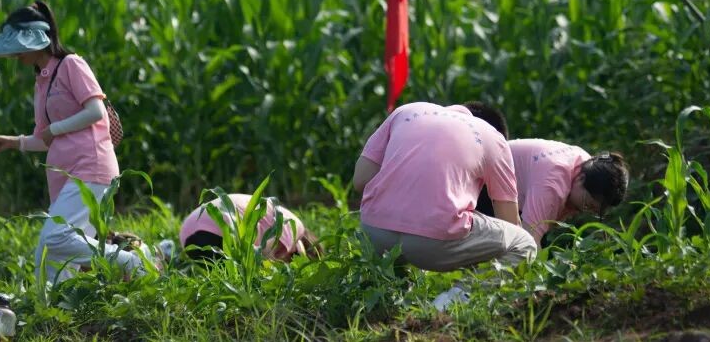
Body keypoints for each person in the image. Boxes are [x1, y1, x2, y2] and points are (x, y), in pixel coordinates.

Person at [0, 0, 143, 282]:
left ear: (36, 40)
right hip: (64, 176)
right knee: (50, 257)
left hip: (90, 167)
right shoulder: (42, 81)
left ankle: (130, 261)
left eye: (19, 47)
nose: (16, 56)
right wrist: (12, 142)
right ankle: (61, 306)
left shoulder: (71, 65)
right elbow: (45, 138)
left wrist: (55, 129)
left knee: (54, 238)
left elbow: (95, 111)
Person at [352, 101, 536, 273]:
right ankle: (457, 297)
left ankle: (393, 288)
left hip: (374, 232)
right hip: (433, 244)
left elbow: (360, 180)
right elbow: (510, 223)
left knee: (398, 259)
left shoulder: (405, 111)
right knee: (523, 243)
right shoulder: (493, 137)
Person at [475, 138, 630, 246]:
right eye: (587, 204)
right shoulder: (552, 184)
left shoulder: (589, 166)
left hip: (514, 191)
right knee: (506, 247)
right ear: (581, 179)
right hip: (481, 182)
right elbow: (527, 241)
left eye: (593, 211)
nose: (583, 210)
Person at [179, 193, 322, 262]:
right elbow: (266, 254)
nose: (291, 261)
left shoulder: (274, 215)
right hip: (220, 227)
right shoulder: (294, 226)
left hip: (187, 231)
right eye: (294, 257)